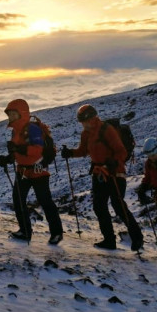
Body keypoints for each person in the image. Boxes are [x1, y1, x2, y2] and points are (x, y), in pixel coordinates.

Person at [59, 104, 144, 251]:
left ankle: (137, 238)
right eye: (81, 122)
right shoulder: (86, 133)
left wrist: (113, 162)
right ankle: (109, 240)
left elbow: (121, 151)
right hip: (99, 173)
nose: (83, 125)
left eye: (84, 122)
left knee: (118, 206)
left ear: (92, 119)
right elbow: (84, 150)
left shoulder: (106, 129)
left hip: (115, 172)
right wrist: (70, 153)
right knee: (99, 206)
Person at [0, 99, 63, 244]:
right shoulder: (16, 130)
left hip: (38, 170)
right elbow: (17, 153)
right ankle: (25, 231)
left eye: (14, 114)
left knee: (45, 201)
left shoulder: (32, 129)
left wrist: (19, 149)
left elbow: (38, 150)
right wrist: (7, 159)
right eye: (10, 114)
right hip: (23, 171)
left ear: (22, 113)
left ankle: (56, 233)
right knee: (18, 200)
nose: (11, 117)